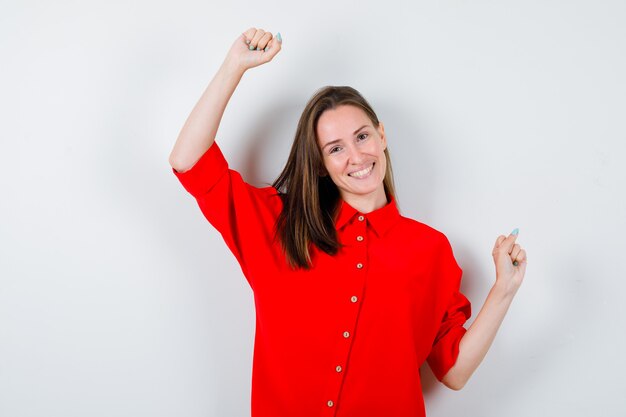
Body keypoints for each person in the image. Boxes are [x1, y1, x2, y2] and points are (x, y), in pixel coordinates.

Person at [169, 27, 527, 417]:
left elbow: (454, 370)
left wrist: (504, 290)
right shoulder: (279, 225)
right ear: (321, 166)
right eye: (336, 149)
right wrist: (234, 66)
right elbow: (188, 161)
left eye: (362, 137)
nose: (356, 157)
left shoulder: (430, 250)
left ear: (382, 136)